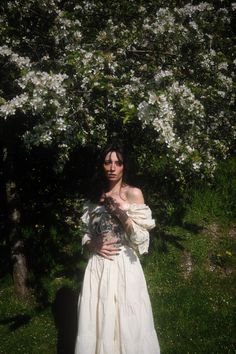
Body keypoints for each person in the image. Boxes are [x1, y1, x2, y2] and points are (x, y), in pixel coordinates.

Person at [74, 142, 160, 354]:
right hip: (97, 268)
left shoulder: (133, 194)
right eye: (107, 162)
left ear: (124, 166)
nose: (112, 167)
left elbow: (141, 240)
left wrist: (122, 215)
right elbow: (84, 233)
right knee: (98, 319)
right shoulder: (94, 198)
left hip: (124, 266)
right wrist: (90, 243)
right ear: (102, 166)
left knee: (128, 321)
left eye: (117, 163)